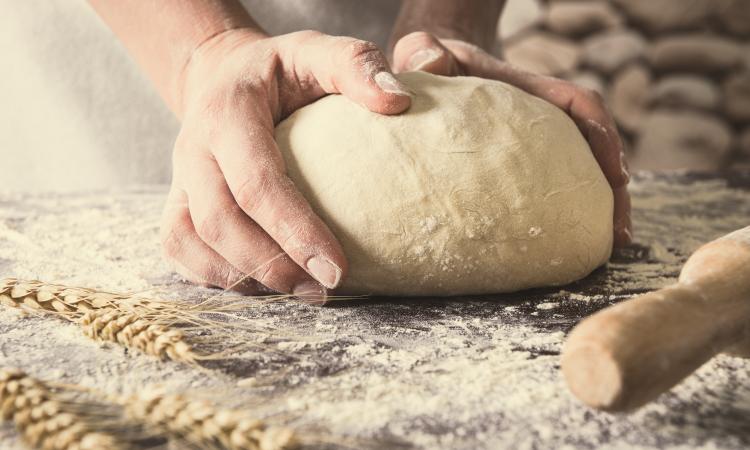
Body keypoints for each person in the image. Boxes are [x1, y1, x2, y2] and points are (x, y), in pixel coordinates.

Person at [87, 0, 631, 302]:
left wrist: (440, 29)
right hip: (148, 38)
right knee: (229, 210)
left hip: (387, 75)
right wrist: (207, 52)